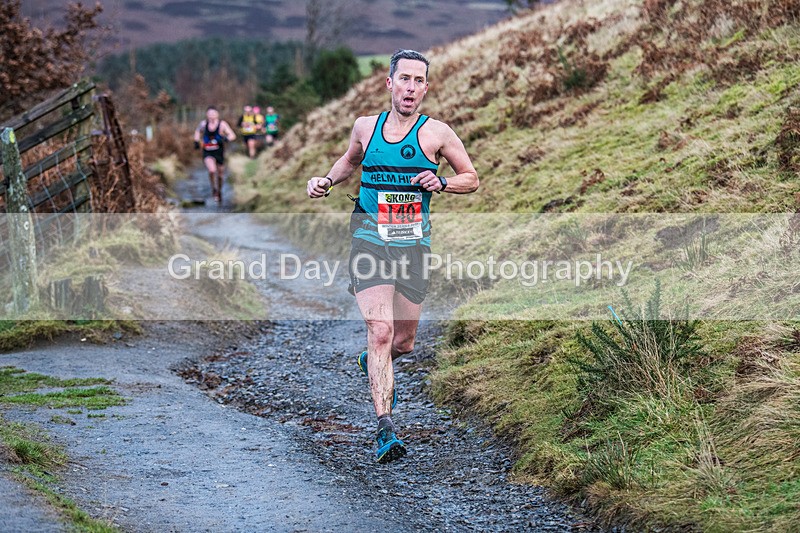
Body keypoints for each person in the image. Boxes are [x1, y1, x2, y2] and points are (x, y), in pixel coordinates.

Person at [306, 49, 479, 463]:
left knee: (403, 341)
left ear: (424, 88)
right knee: (381, 330)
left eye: (419, 81)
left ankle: (372, 360)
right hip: (369, 238)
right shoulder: (366, 127)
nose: (411, 88)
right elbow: (349, 161)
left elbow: (471, 178)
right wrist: (327, 180)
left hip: (413, 245)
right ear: (389, 83)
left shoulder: (437, 133)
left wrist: (442, 183)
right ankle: (385, 428)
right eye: (404, 79)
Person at [194, 106, 236, 203]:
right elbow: (197, 131)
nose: (211, 116)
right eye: (209, 114)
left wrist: (226, 139)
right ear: (207, 115)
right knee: (212, 170)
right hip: (208, 151)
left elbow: (232, 135)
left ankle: (219, 190)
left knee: (220, 174)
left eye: (213, 114)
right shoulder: (204, 124)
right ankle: (214, 189)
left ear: (217, 115)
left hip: (219, 151)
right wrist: (196, 141)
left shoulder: (222, 124)